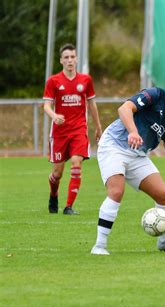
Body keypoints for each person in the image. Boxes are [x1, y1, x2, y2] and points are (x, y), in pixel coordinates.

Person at [90, 70, 165, 255]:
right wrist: (133, 131)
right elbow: (124, 109)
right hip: (114, 146)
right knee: (116, 191)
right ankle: (99, 246)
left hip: (137, 154)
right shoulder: (154, 94)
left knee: (164, 195)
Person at [43, 43, 102, 215]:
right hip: (59, 132)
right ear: (61, 60)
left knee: (76, 163)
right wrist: (54, 116)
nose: (70, 60)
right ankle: (53, 194)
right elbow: (46, 105)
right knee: (57, 174)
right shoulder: (53, 81)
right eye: (66, 57)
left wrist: (98, 127)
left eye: (72, 57)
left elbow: (91, 104)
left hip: (78, 130)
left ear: (76, 59)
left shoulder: (85, 80)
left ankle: (68, 206)